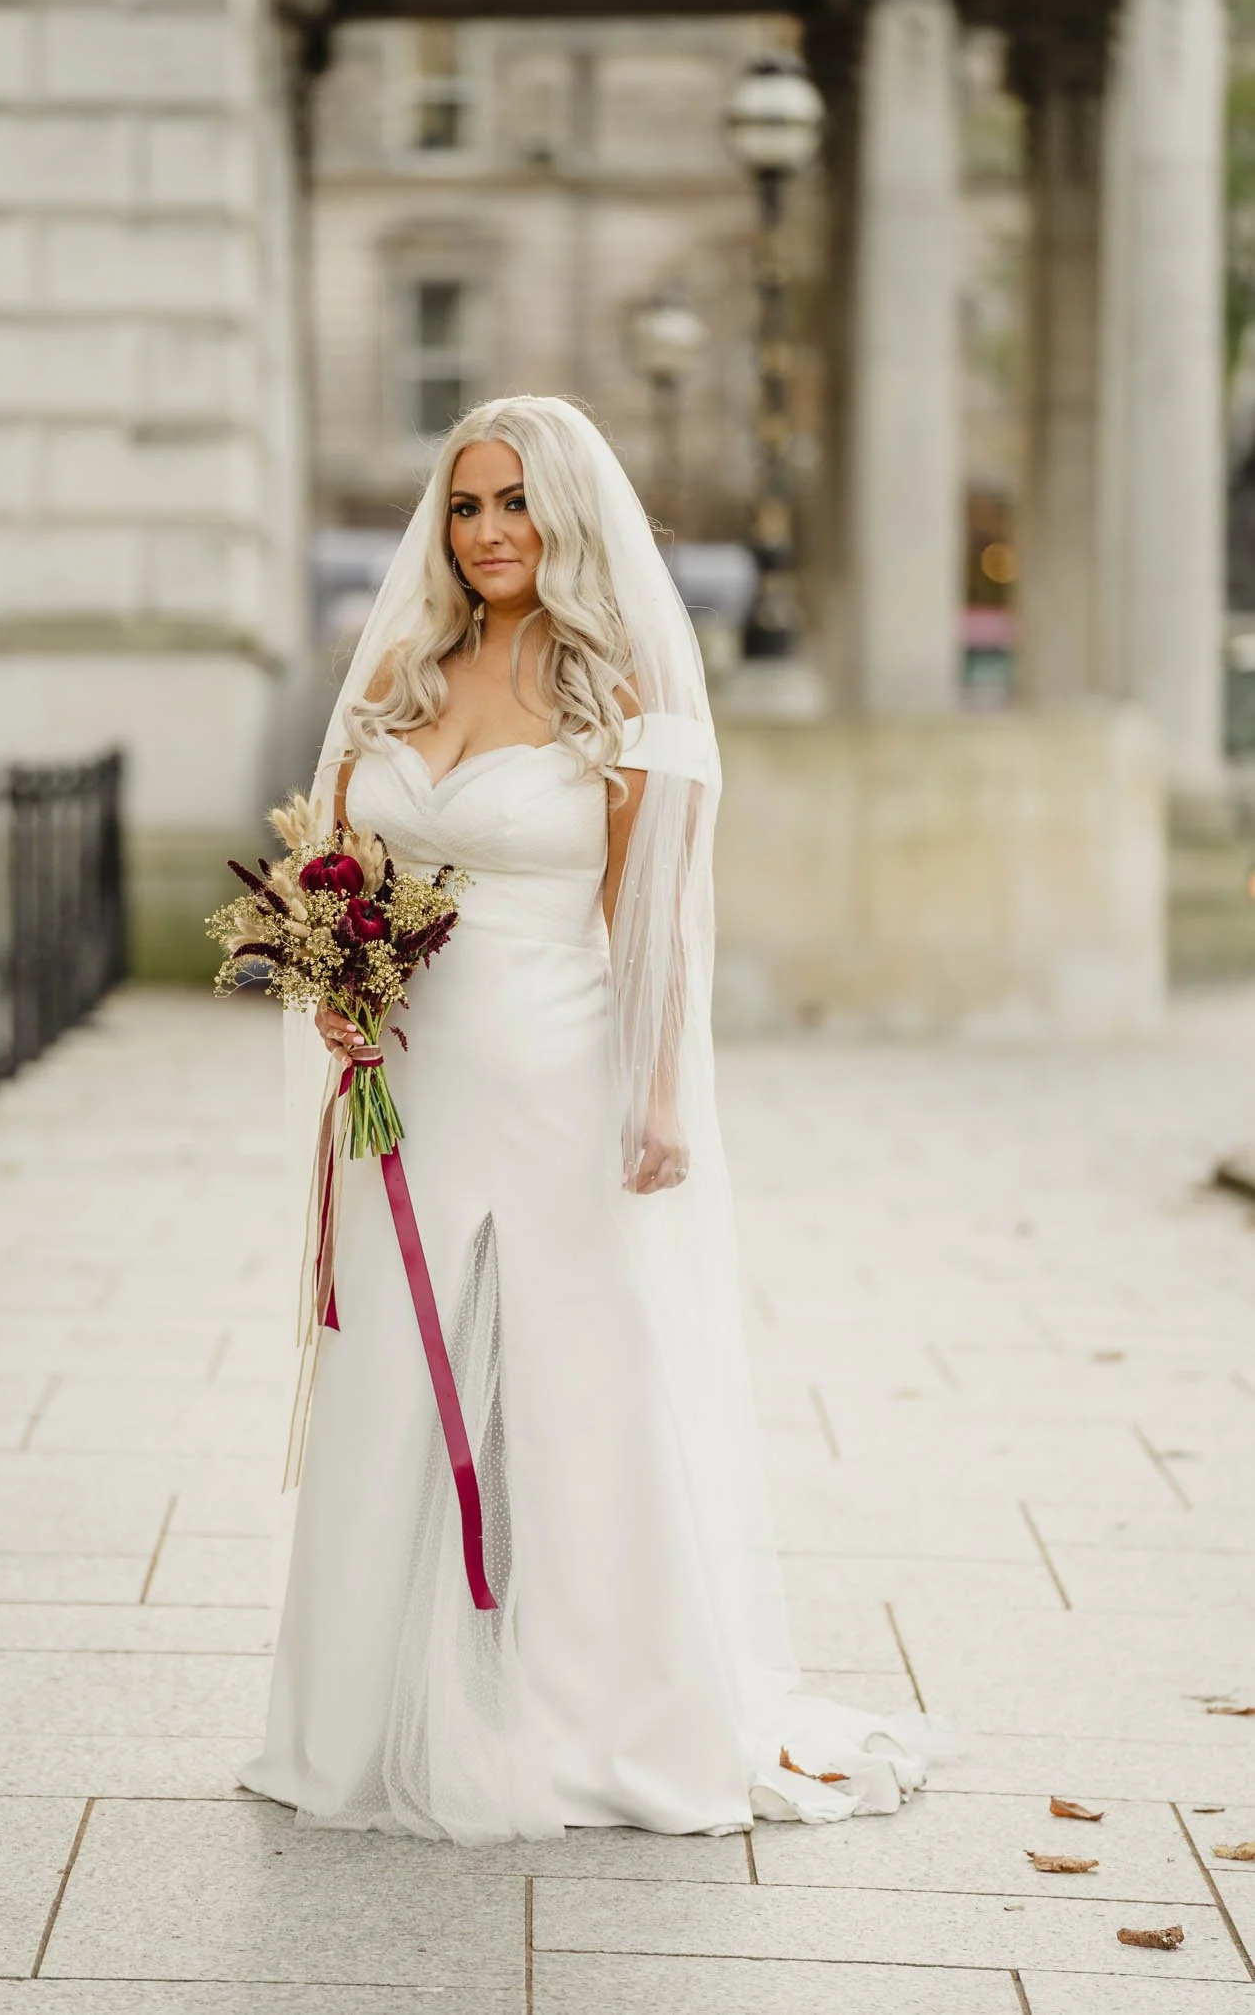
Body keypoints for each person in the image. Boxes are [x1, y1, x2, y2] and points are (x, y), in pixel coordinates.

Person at [239, 395, 938, 1841]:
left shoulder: (625, 688)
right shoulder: (405, 673)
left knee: (568, 1372)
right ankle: (367, 1712)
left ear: (564, 512)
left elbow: (651, 914)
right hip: (405, 1077)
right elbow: (340, 862)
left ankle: (588, 1712)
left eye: (515, 502)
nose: (488, 531)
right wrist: (334, 990)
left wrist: (657, 1092)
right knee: (398, 1370)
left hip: (555, 1067)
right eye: (465, 505)